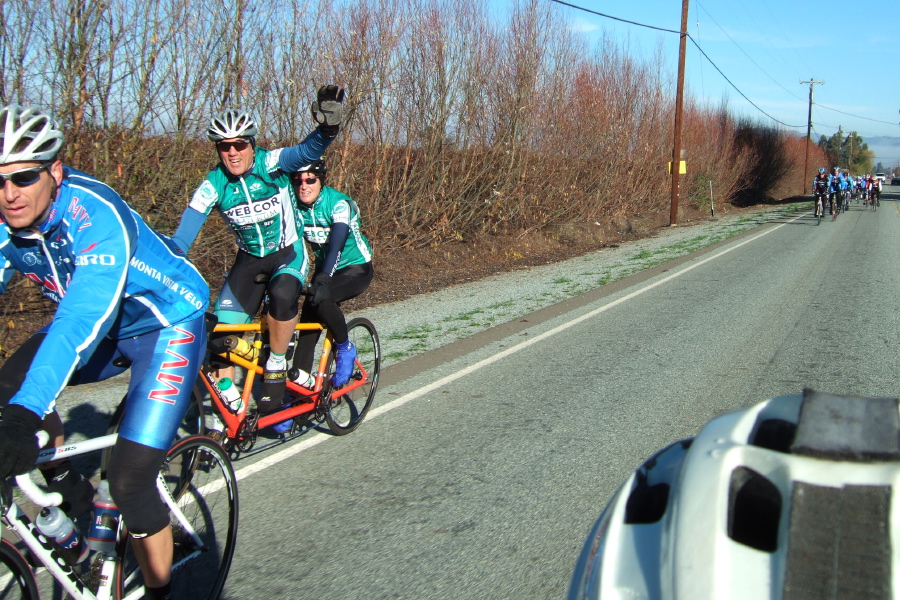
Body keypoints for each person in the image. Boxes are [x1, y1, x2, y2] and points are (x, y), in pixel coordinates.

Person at [0, 104, 209, 600]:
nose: (9, 194)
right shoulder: (8, 225)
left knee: (129, 480)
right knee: (6, 387)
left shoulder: (95, 214)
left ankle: (160, 591)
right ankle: (76, 519)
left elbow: (76, 322)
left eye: (23, 177)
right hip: (108, 326)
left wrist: (23, 415)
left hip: (166, 325)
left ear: (55, 171)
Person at [172, 86, 345, 418]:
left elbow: (307, 151)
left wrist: (327, 130)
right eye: (225, 146)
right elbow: (181, 240)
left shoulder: (272, 163)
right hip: (248, 261)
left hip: (286, 253)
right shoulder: (213, 184)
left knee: (283, 295)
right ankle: (231, 406)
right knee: (220, 335)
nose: (233, 153)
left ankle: (277, 362)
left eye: (239, 145)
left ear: (251, 144)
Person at [290, 160, 373, 391]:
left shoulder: (338, 204)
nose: (303, 186)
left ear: (321, 181)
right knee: (306, 326)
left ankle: (345, 347)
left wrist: (325, 277)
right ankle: (298, 389)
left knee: (322, 298)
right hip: (325, 269)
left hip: (355, 268)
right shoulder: (295, 206)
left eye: (310, 180)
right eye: (297, 180)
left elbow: (336, 244)